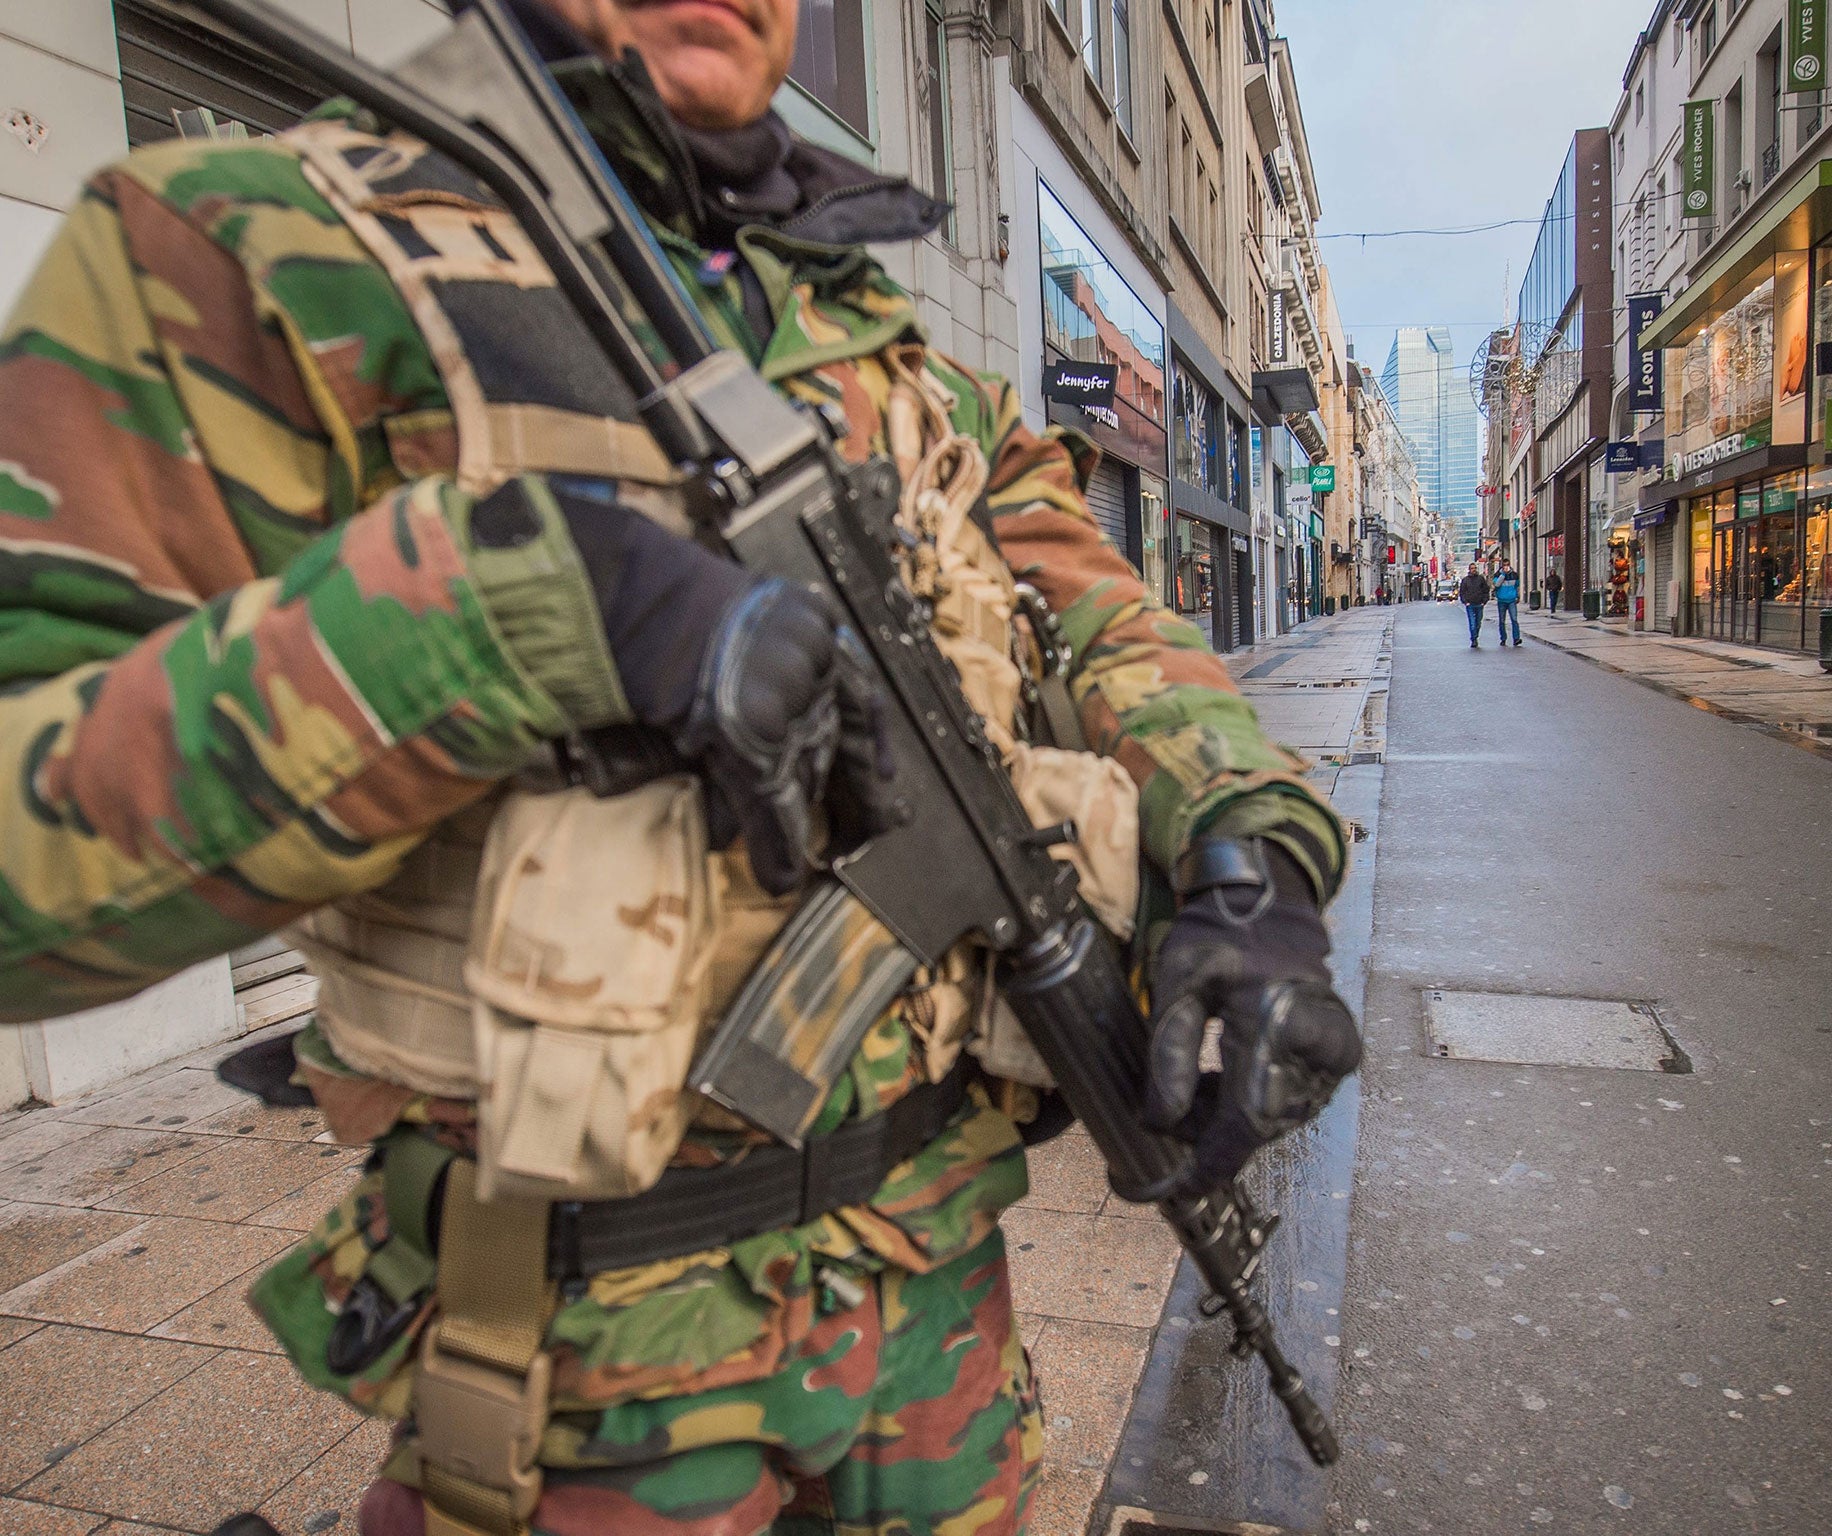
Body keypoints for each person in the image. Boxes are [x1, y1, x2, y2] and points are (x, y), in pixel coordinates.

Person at [0, 2, 1362, 1533]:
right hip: (585, 1382)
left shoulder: (890, 353)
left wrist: (1249, 845)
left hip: (938, 1331)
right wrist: (517, 615)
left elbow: (1107, 615)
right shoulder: (255, 250)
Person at [1457, 561, 1491, 647]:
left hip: (1479, 604)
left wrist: (1484, 601)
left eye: (1475, 568)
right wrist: (1465, 602)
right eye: (1472, 568)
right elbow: (1462, 592)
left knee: (1478, 623)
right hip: (1470, 605)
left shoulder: (1480, 579)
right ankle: (1474, 639)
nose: (1473, 570)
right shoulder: (1465, 580)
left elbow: (1486, 590)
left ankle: (1475, 636)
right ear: (1469, 570)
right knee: (1472, 623)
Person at [1494, 560, 1523, 647]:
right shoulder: (1497, 575)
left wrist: (1517, 596)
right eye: (1504, 565)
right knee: (1502, 621)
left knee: (1514, 619)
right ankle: (1503, 638)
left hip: (1511, 600)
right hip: (1502, 600)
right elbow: (1497, 584)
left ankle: (1516, 638)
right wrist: (1503, 574)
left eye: (1507, 565)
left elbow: (1517, 586)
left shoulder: (1514, 575)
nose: (1506, 567)